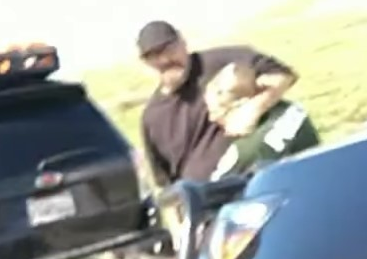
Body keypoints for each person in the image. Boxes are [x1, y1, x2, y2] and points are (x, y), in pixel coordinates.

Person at [136, 20, 298, 188]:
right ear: (145, 62)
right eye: (153, 55)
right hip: (204, 205)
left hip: (253, 185)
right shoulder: (152, 119)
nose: (164, 59)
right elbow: (167, 187)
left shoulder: (221, 62)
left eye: (169, 49)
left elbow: (283, 76)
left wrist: (253, 109)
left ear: (182, 42)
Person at [203, 61, 321, 179]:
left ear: (240, 105)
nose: (212, 118)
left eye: (217, 112)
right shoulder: (289, 109)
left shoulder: (244, 152)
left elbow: (216, 189)